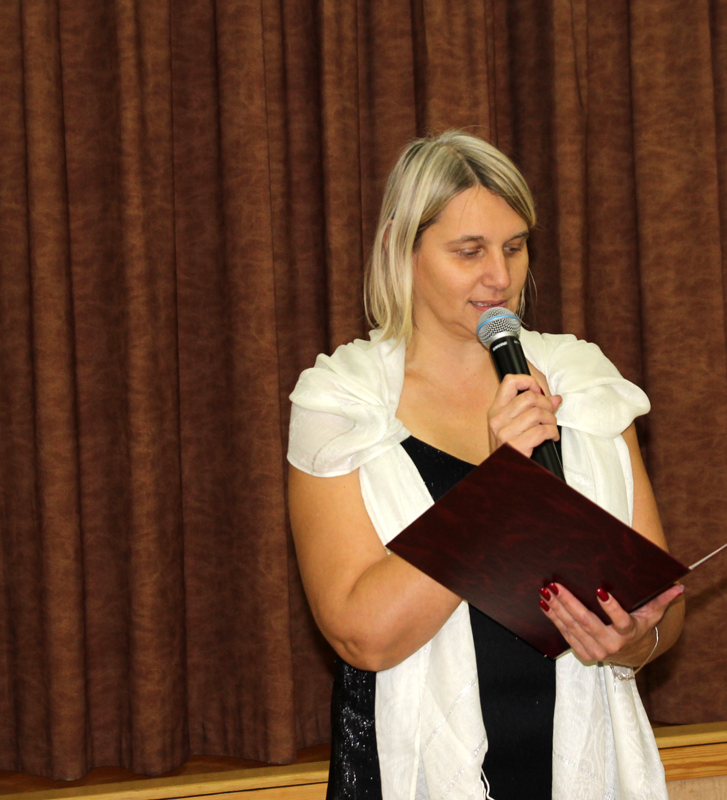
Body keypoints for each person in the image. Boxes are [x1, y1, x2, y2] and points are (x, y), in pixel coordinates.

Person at [286, 130, 685, 800]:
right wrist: (500, 484)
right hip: (411, 771)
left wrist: (633, 643)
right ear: (402, 249)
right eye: (469, 251)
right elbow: (364, 640)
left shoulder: (582, 382)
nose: (499, 276)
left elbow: (660, 611)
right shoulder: (341, 402)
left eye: (515, 247)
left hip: (577, 765)